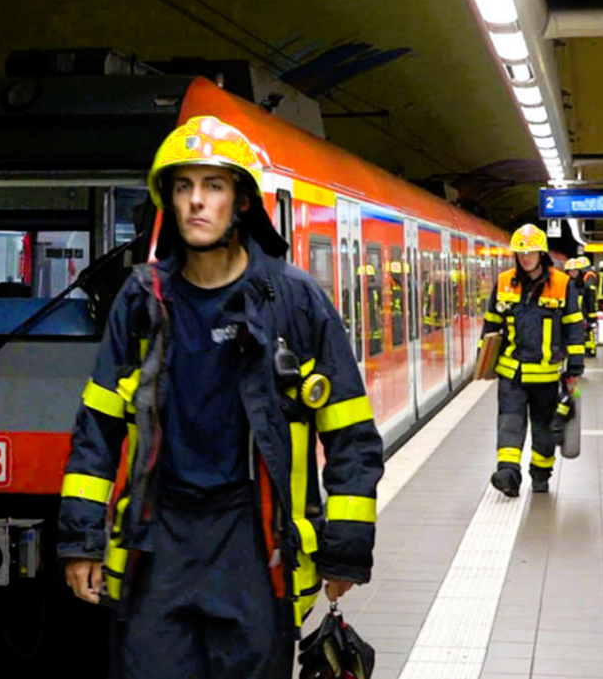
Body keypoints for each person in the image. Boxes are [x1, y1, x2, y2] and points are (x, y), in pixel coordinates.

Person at [57, 116, 384, 678]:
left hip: (253, 543)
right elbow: (97, 430)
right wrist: (81, 541)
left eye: (213, 186)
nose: (196, 202)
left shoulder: (293, 301)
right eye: (183, 187)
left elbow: (351, 430)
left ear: (242, 202)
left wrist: (346, 547)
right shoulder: (141, 300)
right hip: (159, 542)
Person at [479, 224, 585, 496]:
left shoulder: (562, 284)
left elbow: (574, 325)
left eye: (530, 252)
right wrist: (485, 360)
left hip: (546, 376)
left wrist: (575, 366)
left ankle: (540, 475)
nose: (525, 258)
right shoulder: (504, 282)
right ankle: (508, 474)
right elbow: (491, 323)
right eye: (520, 253)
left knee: (544, 430)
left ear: (541, 253)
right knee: (509, 424)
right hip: (511, 373)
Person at [565, 257, 599, 358]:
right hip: (567, 318)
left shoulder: (585, 286)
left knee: (586, 336)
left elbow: (590, 303)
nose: (573, 273)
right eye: (571, 271)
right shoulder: (563, 286)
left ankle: (589, 351)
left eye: (575, 270)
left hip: (582, 317)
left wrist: (592, 319)